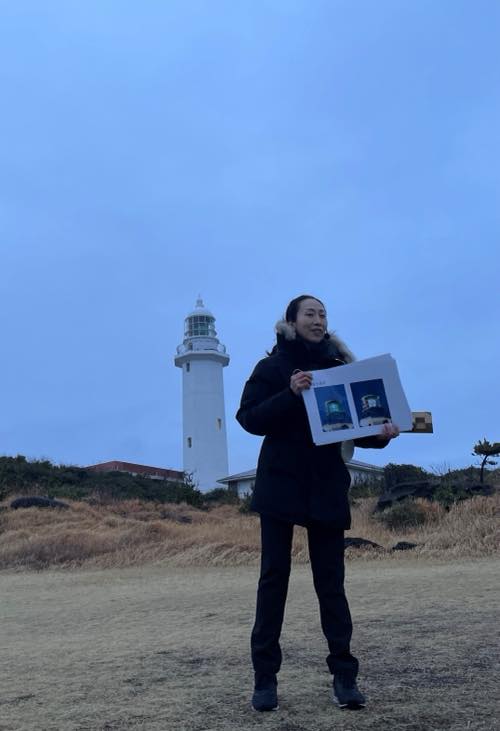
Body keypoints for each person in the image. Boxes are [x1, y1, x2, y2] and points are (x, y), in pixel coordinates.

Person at [236, 295, 399, 712]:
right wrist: (290, 392)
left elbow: (353, 427)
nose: (318, 320)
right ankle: (265, 679)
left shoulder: (339, 369)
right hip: (280, 484)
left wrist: (380, 434)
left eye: (323, 314)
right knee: (274, 580)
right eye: (310, 313)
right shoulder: (272, 367)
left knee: (332, 585)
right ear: (290, 320)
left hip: (326, 484)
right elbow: (249, 418)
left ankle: (345, 676)